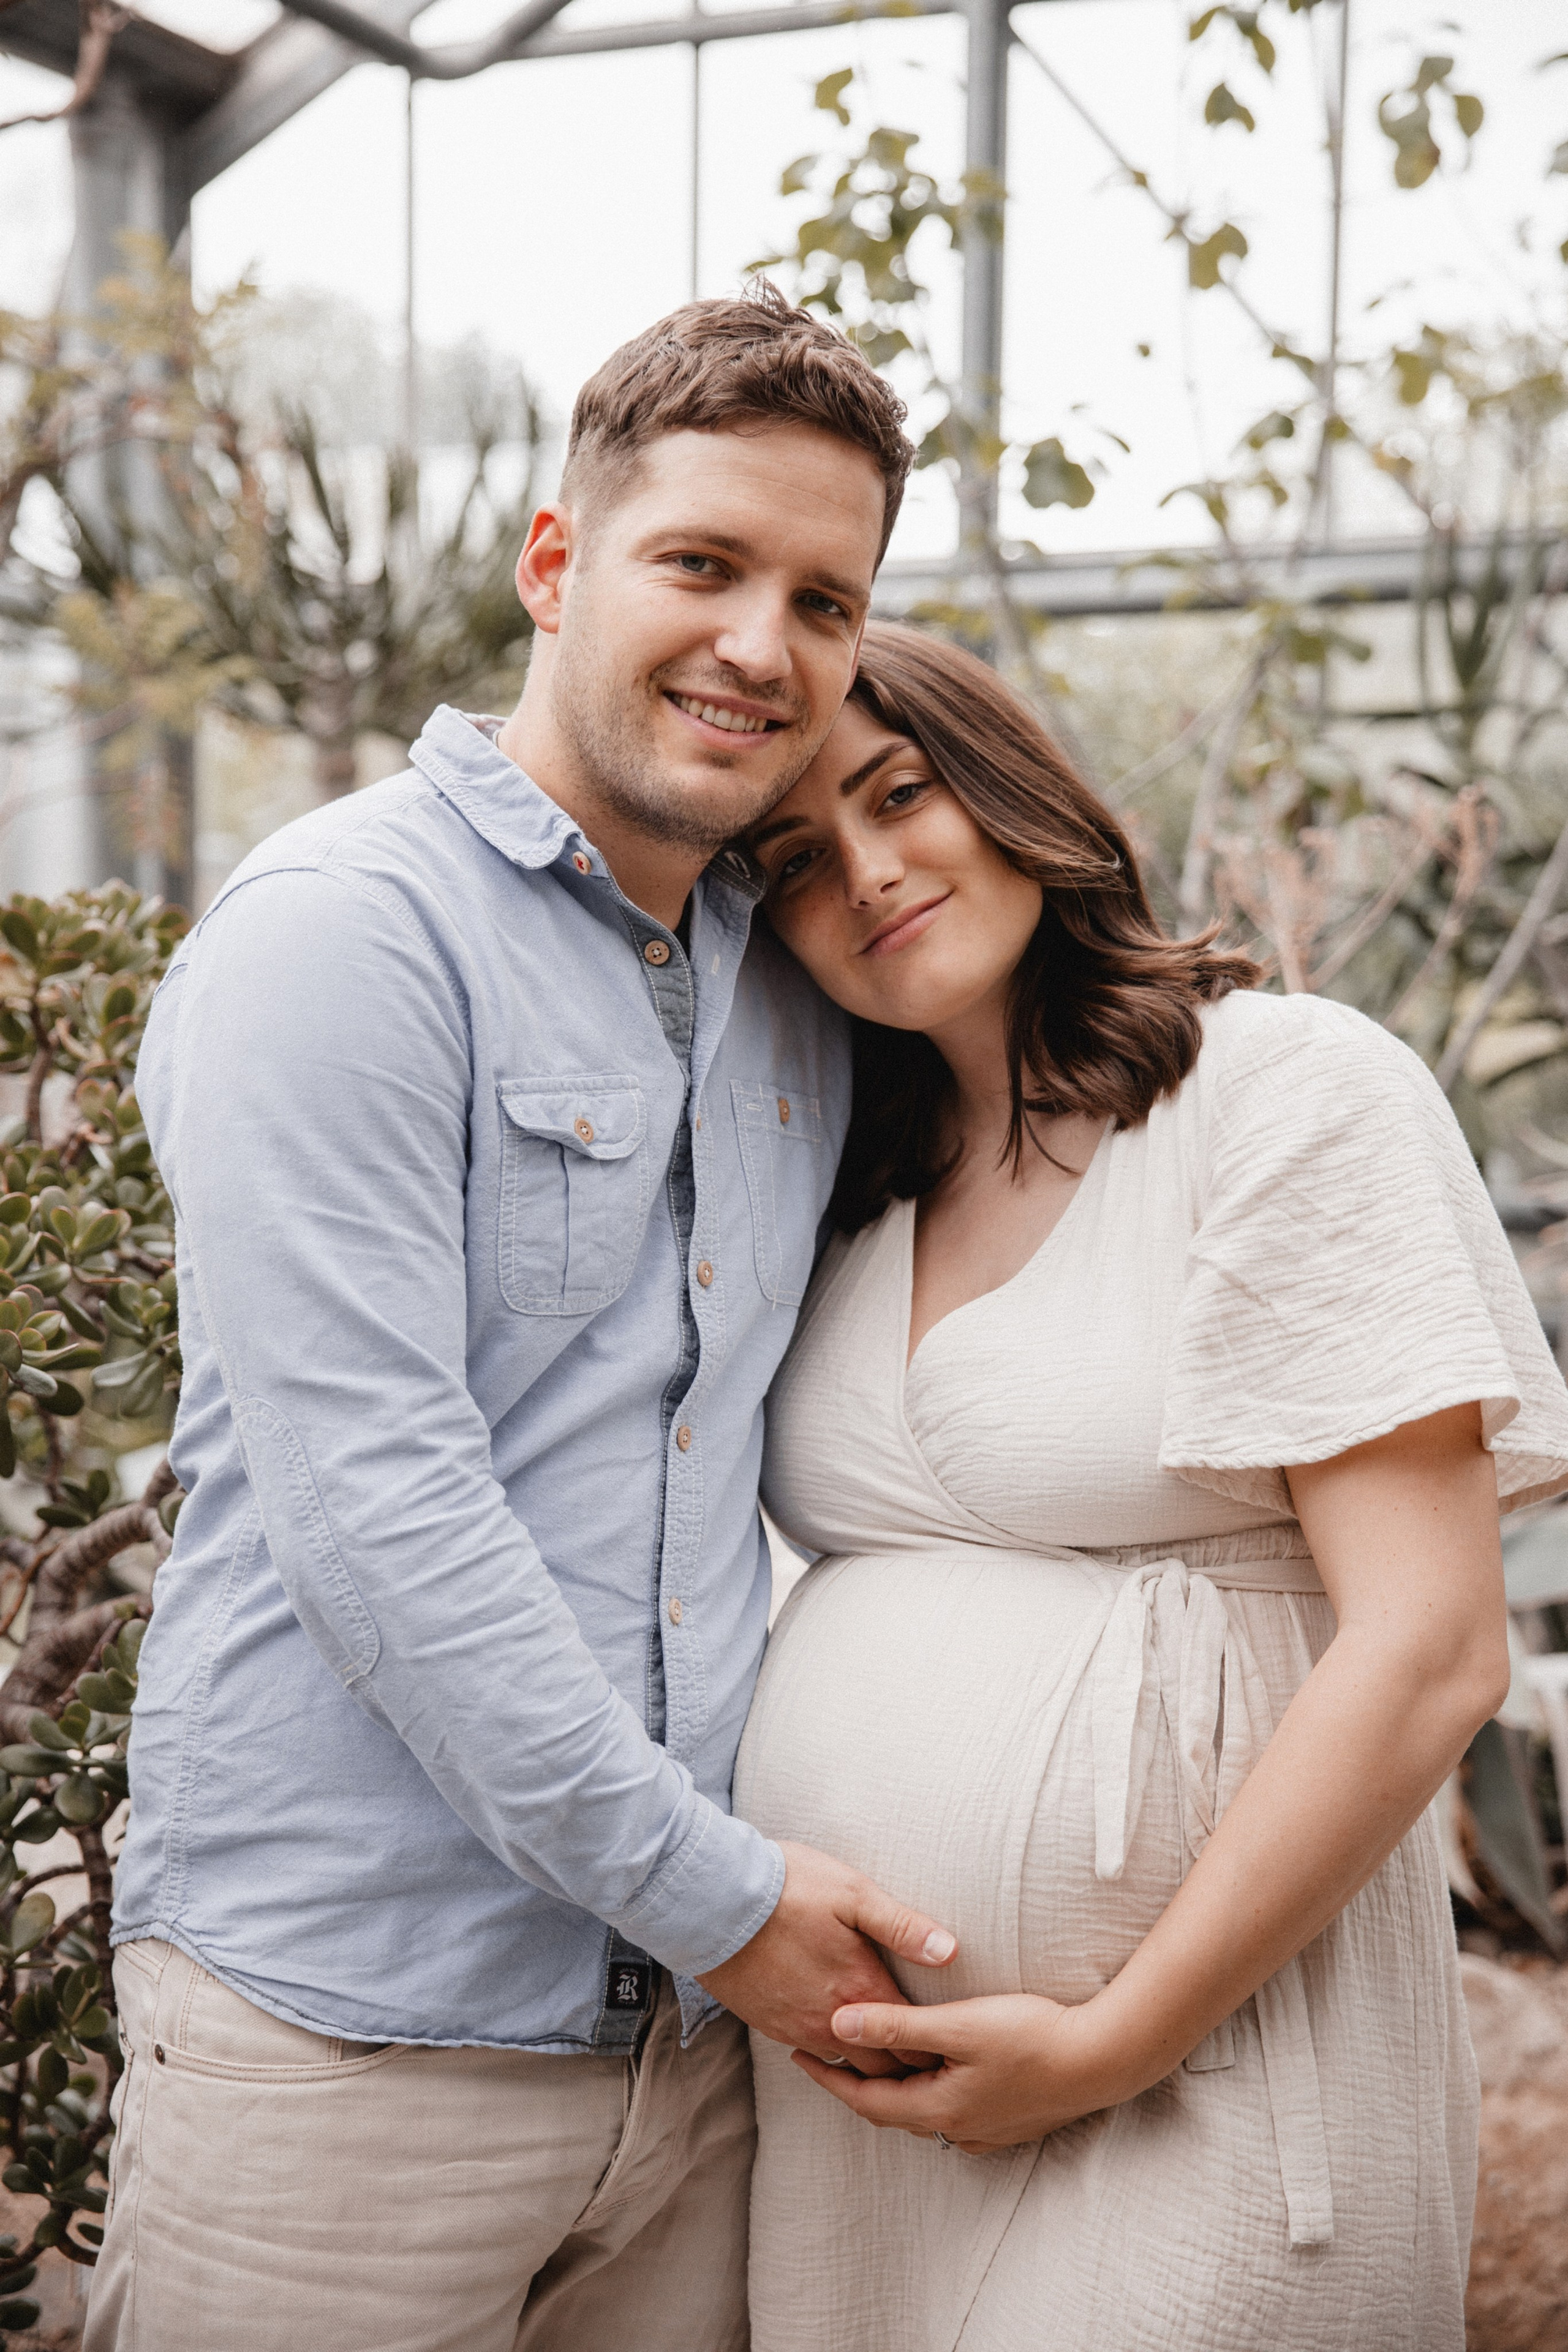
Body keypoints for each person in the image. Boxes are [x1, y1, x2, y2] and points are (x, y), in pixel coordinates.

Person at [84, 296, 962, 2352]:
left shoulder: (785, 978)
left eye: (825, 600)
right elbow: (380, 1512)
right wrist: (734, 1910)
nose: (766, 644)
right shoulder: (346, 939)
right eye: (704, 565)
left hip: (688, 2072)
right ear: (555, 565)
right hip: (354, 2045)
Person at [734, 621, 1568, 2352]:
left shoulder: (1278, 1092)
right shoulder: (851, 1186)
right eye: (798, 860)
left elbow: (1430, 1648)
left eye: (904, 794)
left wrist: (1113, 2037)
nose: (872, 873)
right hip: (866, 2119)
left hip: (1212, 2060)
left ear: (1011, 788)